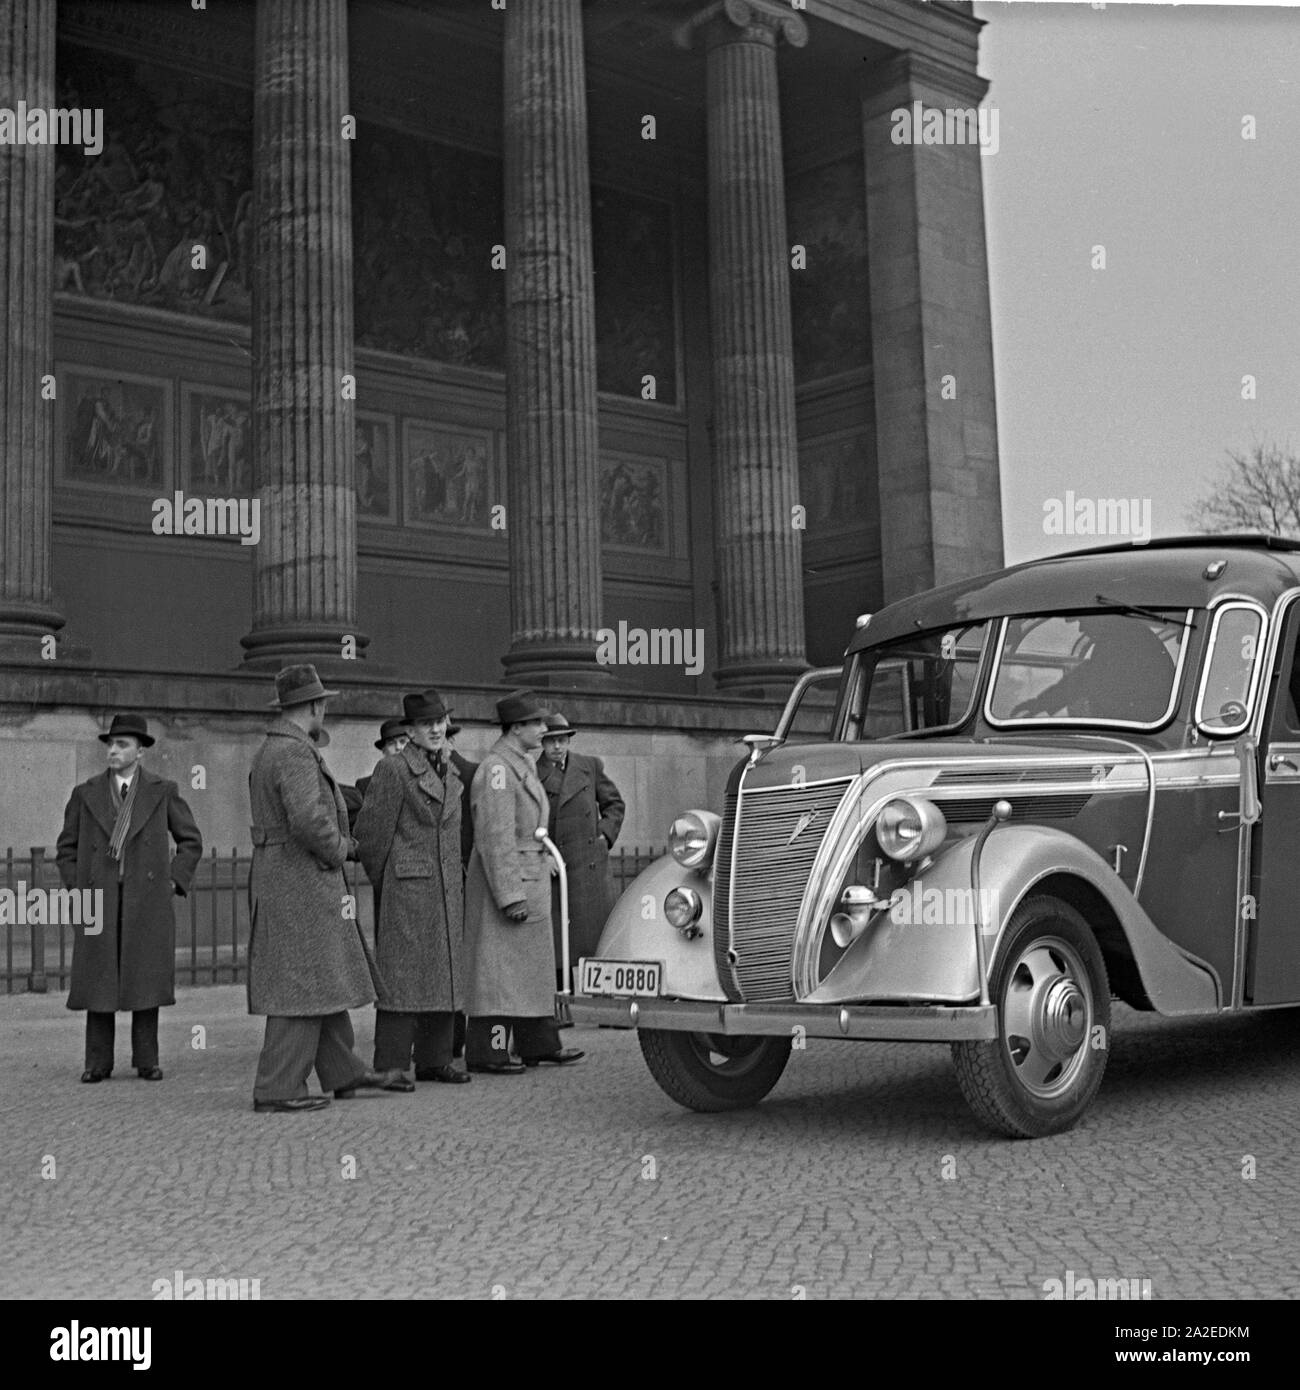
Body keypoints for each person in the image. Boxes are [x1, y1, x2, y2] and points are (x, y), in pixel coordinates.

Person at [246, 664, 411, 1113]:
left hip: (287, 877)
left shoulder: (275, 748)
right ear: (315, 705)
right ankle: (277, 1087)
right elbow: (307, 820)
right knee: (299, 983)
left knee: (321, 975)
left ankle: (344, 1072)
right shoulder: (295, 753)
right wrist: (342, 848)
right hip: (300, 879)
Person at [56, 713, 203, 1083]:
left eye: (122, 744)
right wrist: (78, 887)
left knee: (145, 979)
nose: (113, 750)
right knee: (99, 980)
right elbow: (66, 849)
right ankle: (97, 1062)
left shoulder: (162, 791)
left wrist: (172, 882)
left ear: (140, 751)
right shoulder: (85, 793)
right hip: (100, 898)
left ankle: (147, 1060)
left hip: (146, 898)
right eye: (110, 744)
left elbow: (191, 842)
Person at [463, 690, 584, 1074]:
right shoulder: (499, 769)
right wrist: (509, 895)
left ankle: (539, 1044)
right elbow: (495, 837)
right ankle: (490, 1051)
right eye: (536, 723)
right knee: (499, 975)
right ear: (516, 728)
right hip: (511, 880)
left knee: (527, 972)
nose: (544, 729)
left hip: (526, 874)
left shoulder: (517, 764)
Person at [355, 691, 470, 1085]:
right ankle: (390, 1063)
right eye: (426, 724)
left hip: (446, 887)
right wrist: (391, 881)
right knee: (402, 978)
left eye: (440, 721)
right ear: (411, 730)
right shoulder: (393, 770)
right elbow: (371, 836)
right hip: (408, 888)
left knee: (443, 972)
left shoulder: (450, 772)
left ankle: (435, 1059)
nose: (436, 729)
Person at [538, 713, 625, 987]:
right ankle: (563, 1002)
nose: (557, 747)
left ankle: (604, 1002)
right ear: (543, 743)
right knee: (559, 942)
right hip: (557, 868)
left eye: (562, 740)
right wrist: (543, 854)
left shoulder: (590, 766)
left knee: (597, 939)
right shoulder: (532, 772)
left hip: (589, 866)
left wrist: (604, 836)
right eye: (551, 741)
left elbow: (615, 805)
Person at [343, 717, 409, 834]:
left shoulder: (423, 780)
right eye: (391, 743)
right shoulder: (366, 785)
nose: (398, 747)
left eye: (403, 741)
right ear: (384, 750)